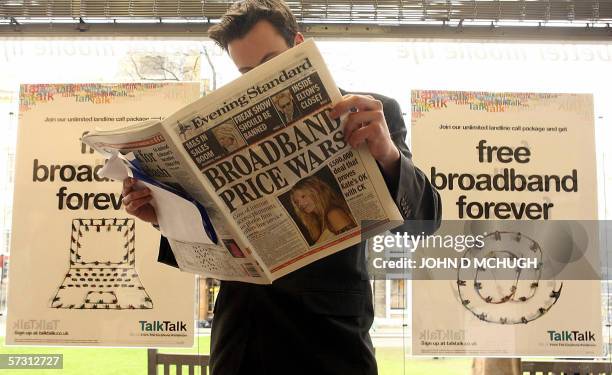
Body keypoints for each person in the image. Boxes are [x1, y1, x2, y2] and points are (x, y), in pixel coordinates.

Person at [121, 0, 442, 374]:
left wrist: (386, 153)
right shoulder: (219, 131)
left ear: (300, 47)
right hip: (241, 339)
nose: (255, 80)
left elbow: (425, 220)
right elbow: (210, 236)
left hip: (331, 342)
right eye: (244, 72)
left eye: (269, 64)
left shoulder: (371, 113)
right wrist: (161, 214)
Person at [289, 175, 356, 245]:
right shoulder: (319, 220)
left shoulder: (333, 214)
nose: (300, 204)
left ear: (316, 191)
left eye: (303, 196)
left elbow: (354, 244)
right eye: (296, 202)